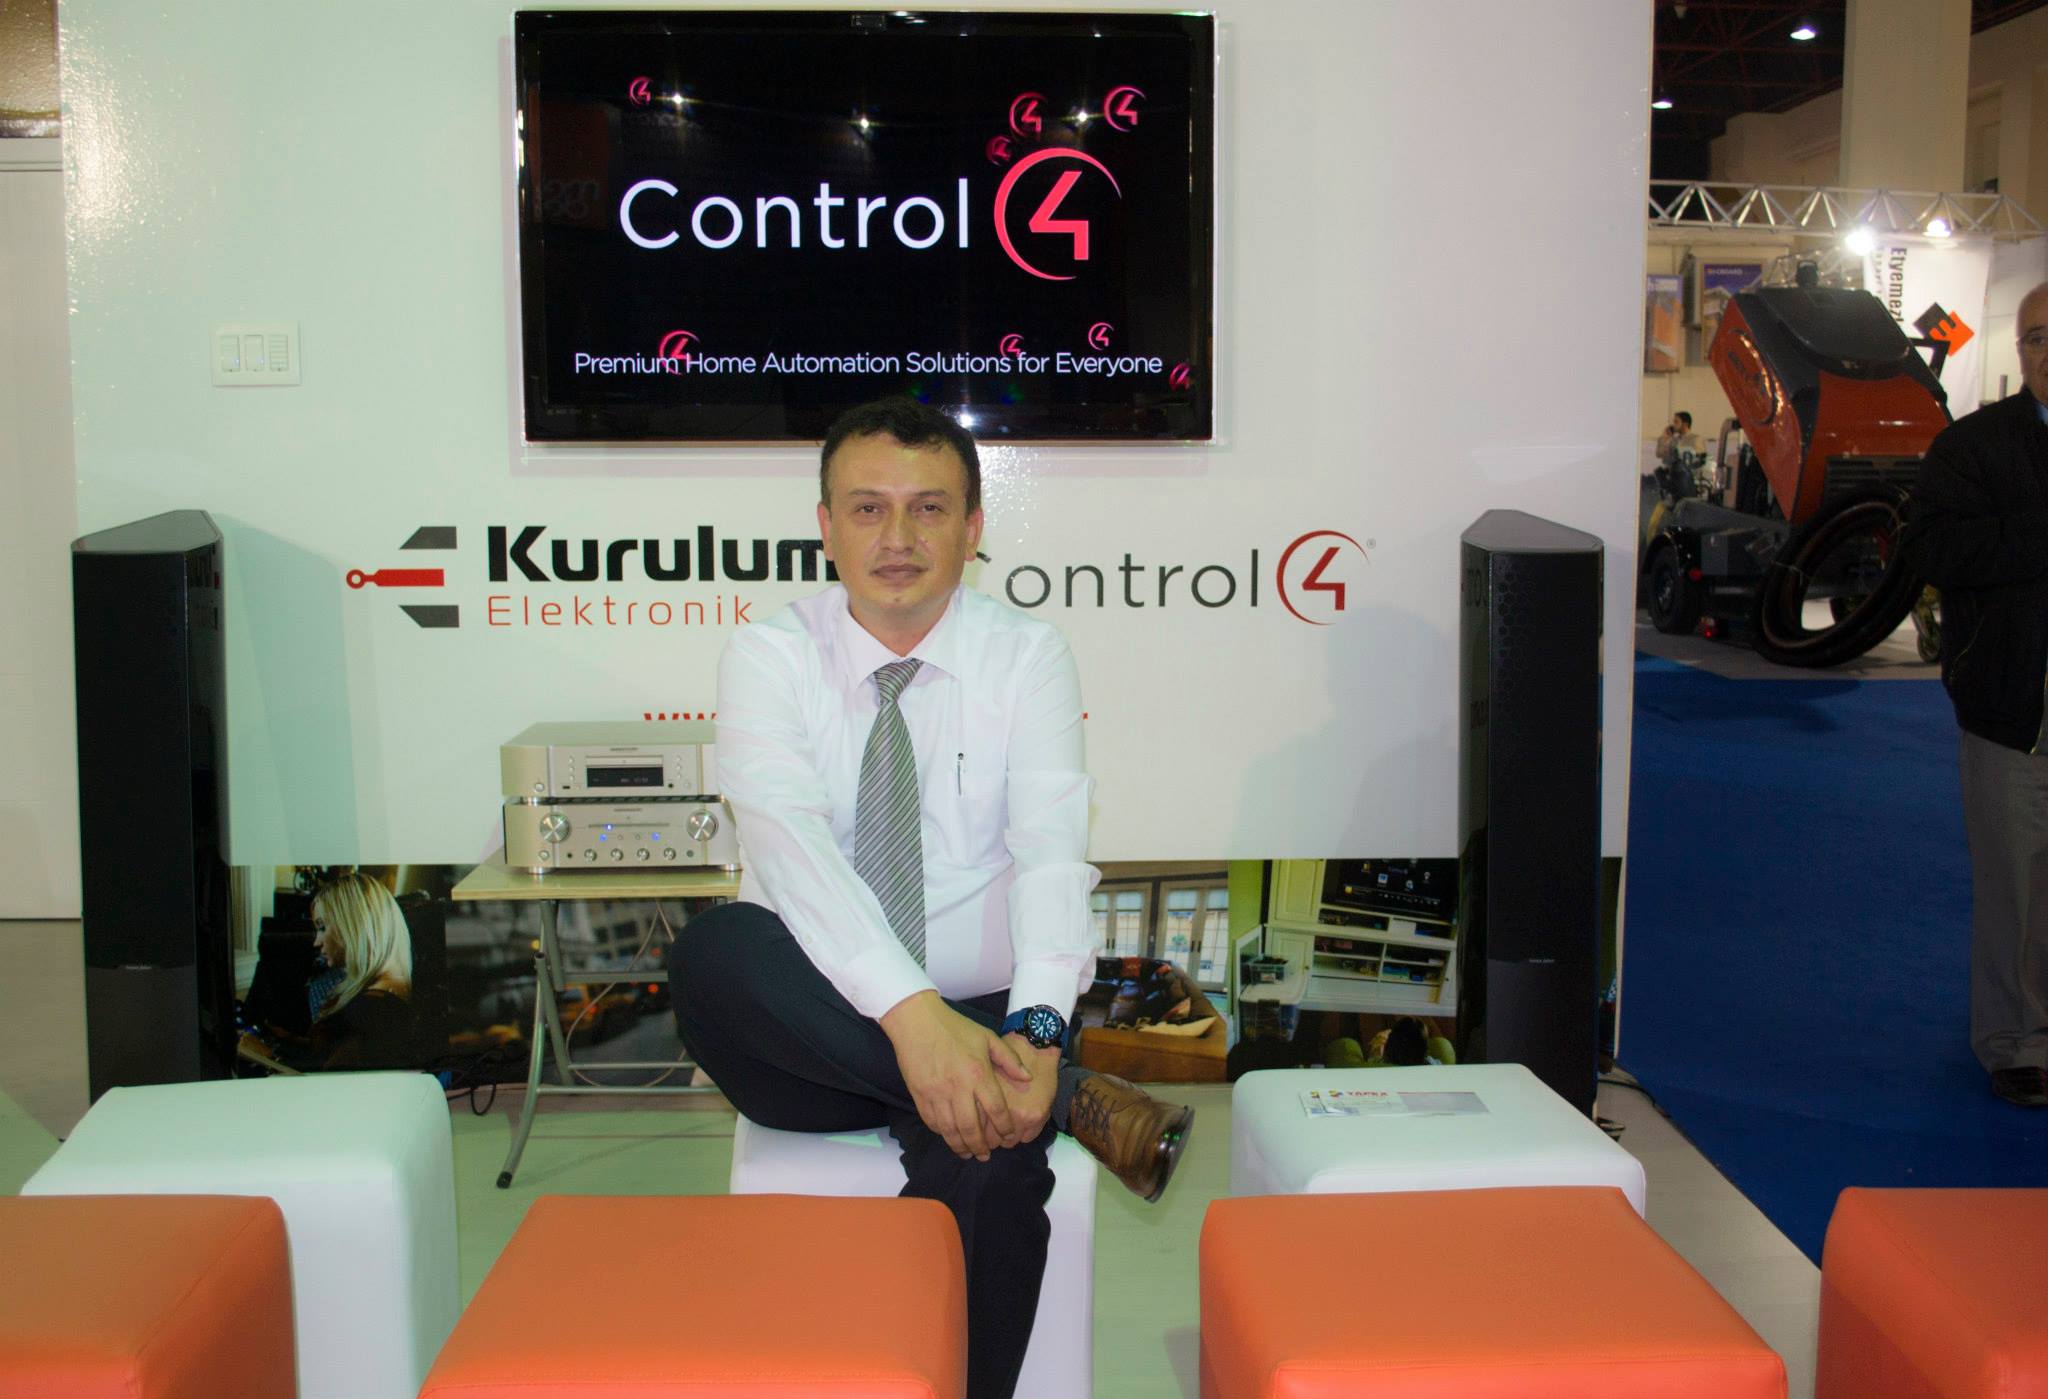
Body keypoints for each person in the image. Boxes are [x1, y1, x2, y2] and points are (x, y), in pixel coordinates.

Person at [669, 397, 1194, 1399]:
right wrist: (915, 1022)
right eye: (867, 508)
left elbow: (1051, 856)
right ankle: (1061, 1098)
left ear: (973, 526)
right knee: (716, 951)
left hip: (989, 1016)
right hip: (813, 1038)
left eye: (929, 508)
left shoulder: (1025, 653)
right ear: (825, 527)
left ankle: (1016, 1093)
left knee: (993, 1159)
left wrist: (1035, 1033)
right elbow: (790, 853)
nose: (898, 537)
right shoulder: (769, 653)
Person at [1899, 280, 2048, 1109]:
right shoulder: (1974, 446)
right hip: (2012, 711)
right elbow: (1931, 549)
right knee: (2014, 889)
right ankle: (2018, 1041)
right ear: (2019, 351)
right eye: (2035, 338)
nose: (2047, 351)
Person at [246, 871, 417, 1071]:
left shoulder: (373, 1011)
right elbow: (339, 1051)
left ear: (353, 925)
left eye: (322, 927)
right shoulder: (386, 991)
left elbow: (326, 1083)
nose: (316, 942)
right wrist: (290, 1039)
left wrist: (267, 1057)